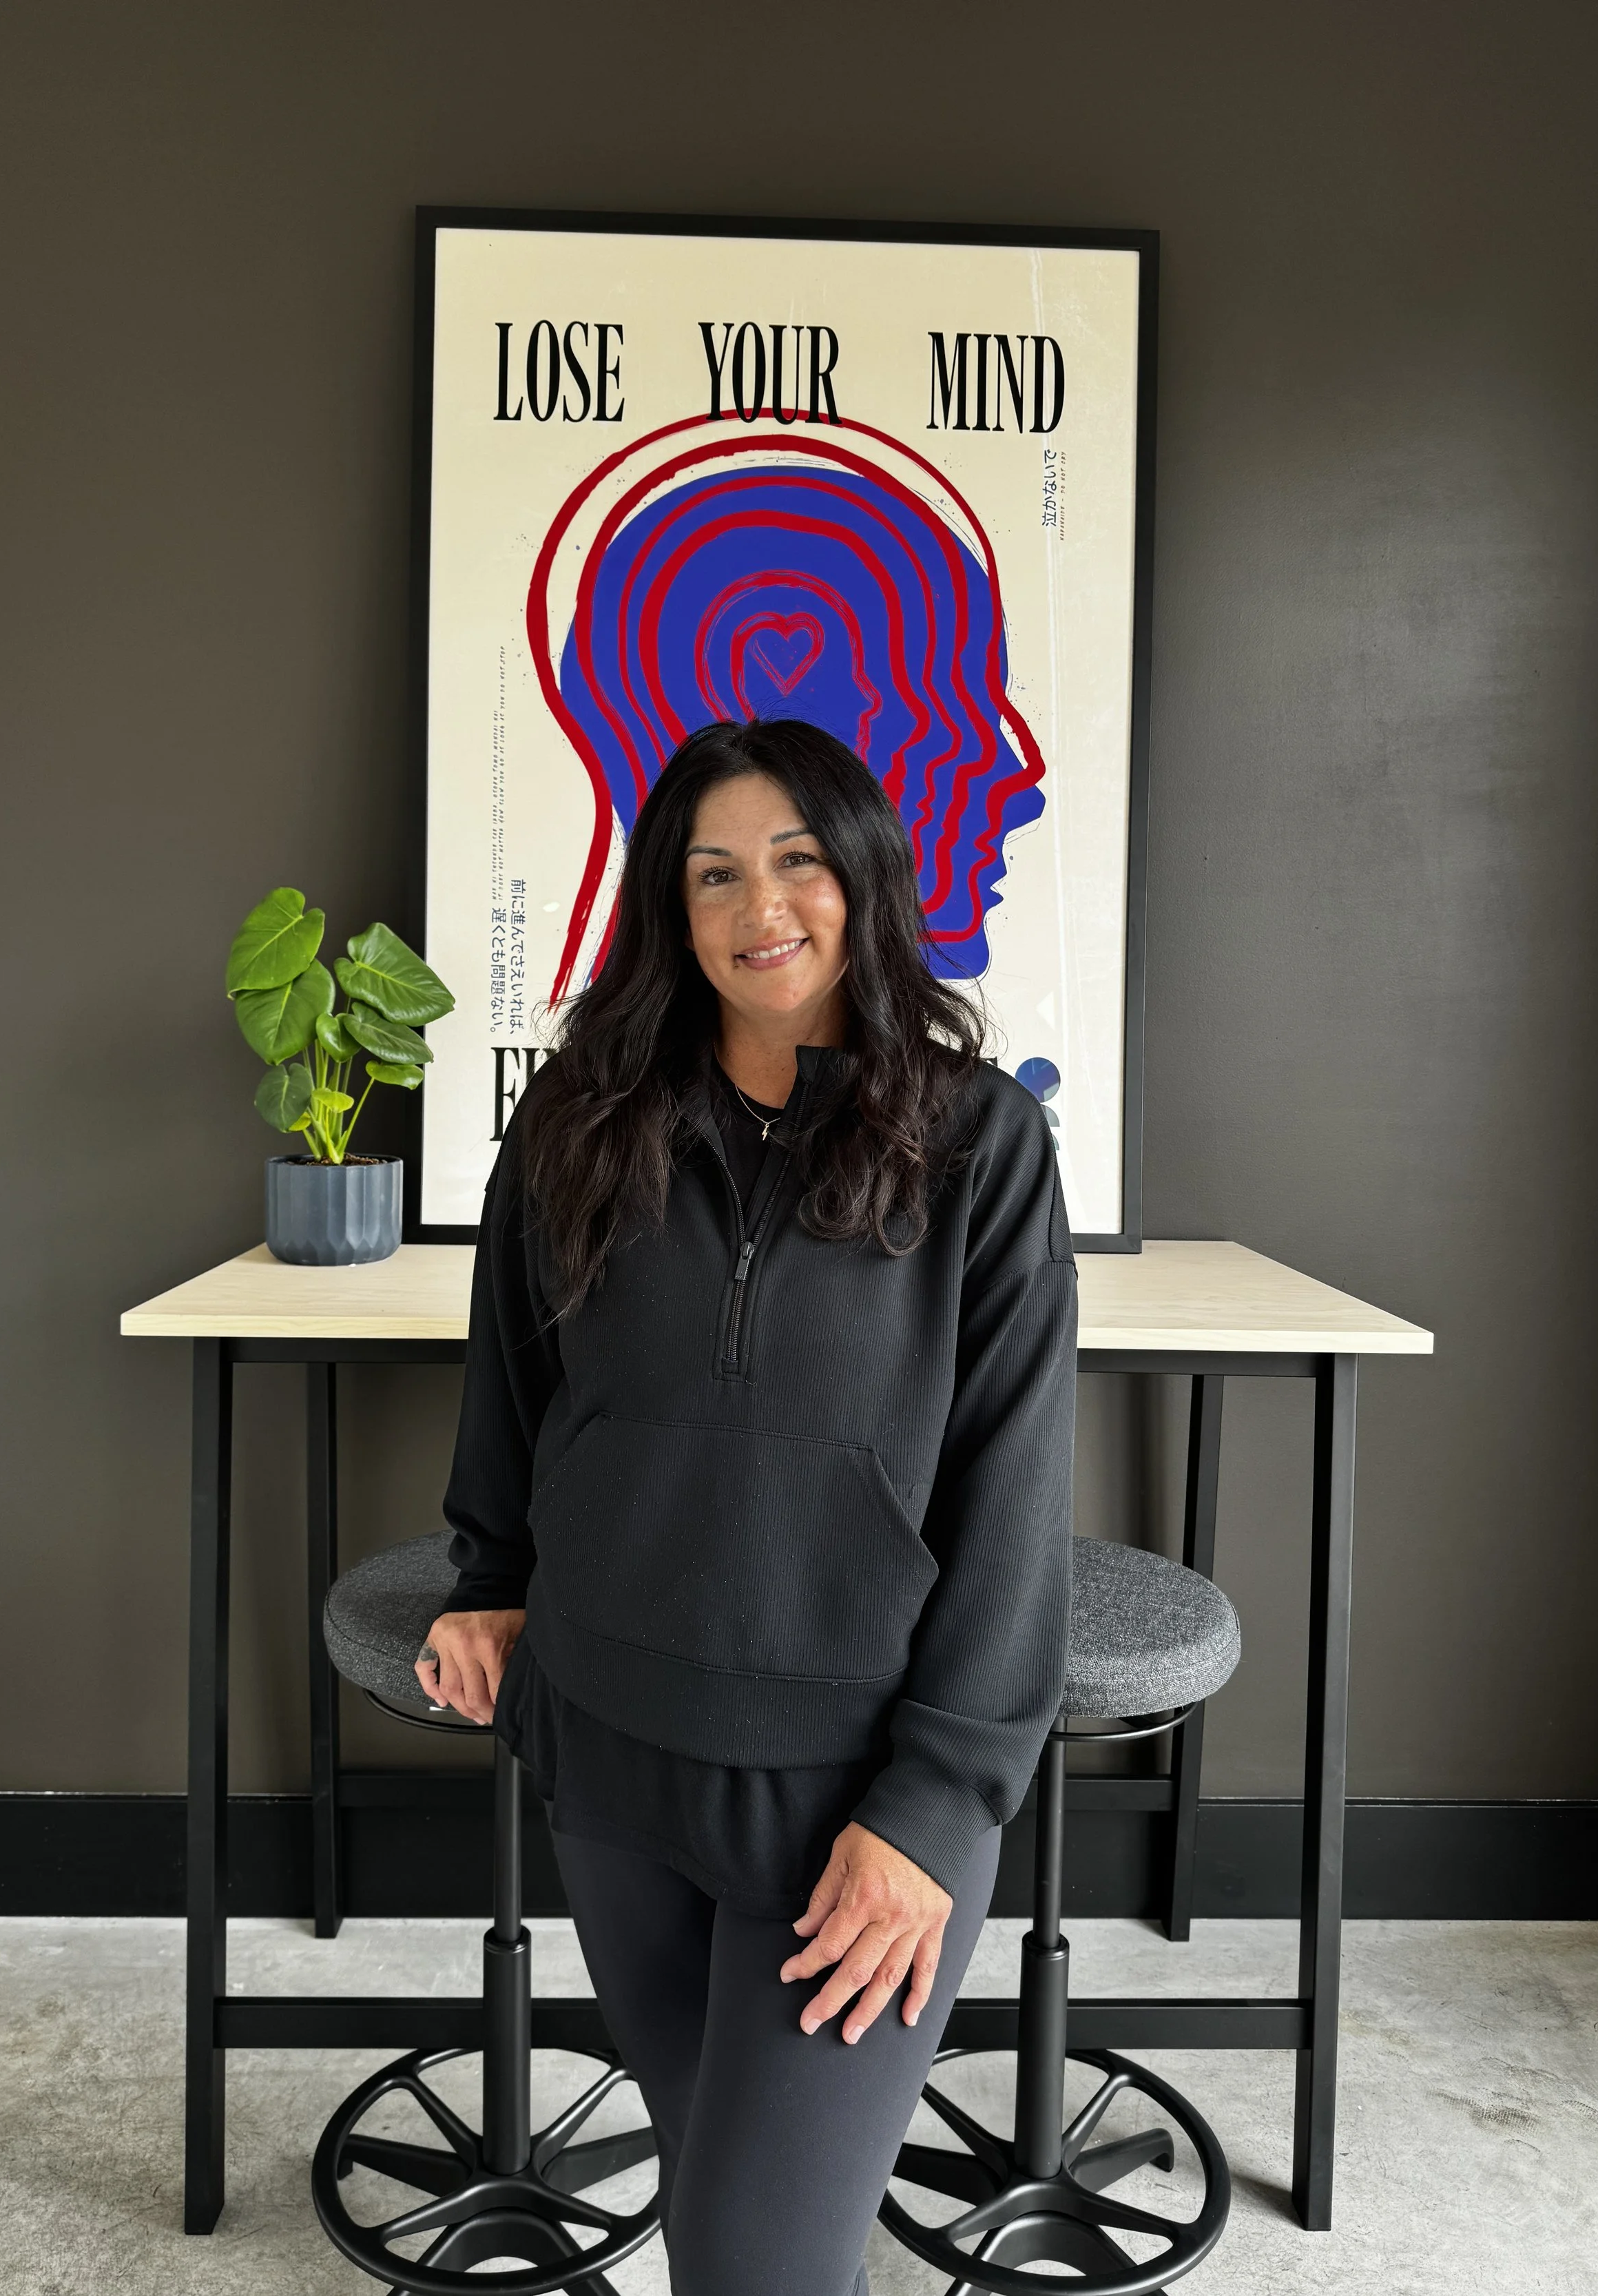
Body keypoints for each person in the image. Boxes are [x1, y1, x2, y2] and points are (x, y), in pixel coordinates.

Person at [419, 716, 1077, 2296]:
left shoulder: (977, 1142)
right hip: (611, 1754)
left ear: (858, 875)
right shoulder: (580, 1113)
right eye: (711, 871)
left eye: (793, 859)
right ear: (669, 905)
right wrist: (488, 1569)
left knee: (744, 2263)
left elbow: (1012, 1489)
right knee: (725, 2182)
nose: (755, 903)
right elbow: (514, 1372)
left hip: (846, 1802)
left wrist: (928, 1809)